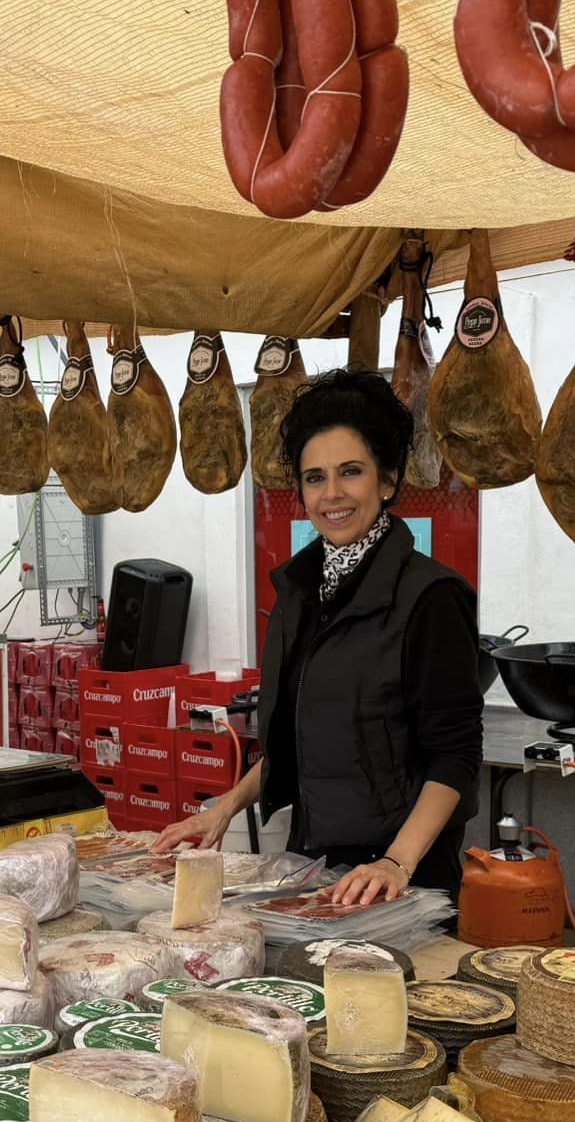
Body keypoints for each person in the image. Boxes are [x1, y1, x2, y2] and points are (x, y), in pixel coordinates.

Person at [155, 368, 483, 906]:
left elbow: (456, 755)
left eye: (350, 472)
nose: (332, 494)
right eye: (314, 477)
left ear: (388, 479)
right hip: (312, 864)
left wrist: (397, 862)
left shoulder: (431, 596)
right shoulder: (300, 592)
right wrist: (223, 808)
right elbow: (299, 740)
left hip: (400, 880)